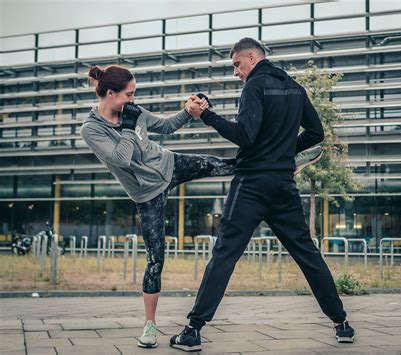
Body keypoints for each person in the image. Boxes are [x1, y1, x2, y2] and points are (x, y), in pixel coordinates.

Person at [170, 37, 355, 352]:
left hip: (252, 185)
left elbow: (245, 136)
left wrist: (207, 116)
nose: (235, 72)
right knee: (307, 254)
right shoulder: (295, 88)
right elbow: (316, 133)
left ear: (252, 57)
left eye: (236, 64)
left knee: (225, 254)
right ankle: (342, 324)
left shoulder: (254, 87)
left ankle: (193, 330)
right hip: (283, 185)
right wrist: (283, 153)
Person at [80, 64, 236, 348]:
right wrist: (128, 124)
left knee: (220, 164)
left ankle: (277, 166)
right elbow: (122, 158)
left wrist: (189, 111)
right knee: (156, 260)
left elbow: (165, 126)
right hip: (146, 194)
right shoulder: (91, 129)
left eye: (134, 93)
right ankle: (150, 326)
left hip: (169, 163)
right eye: (129, 94)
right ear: (111, 93)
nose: (133, 100)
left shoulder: (134, 112)